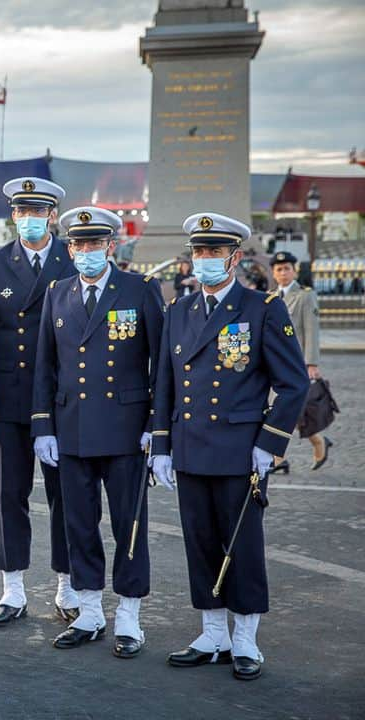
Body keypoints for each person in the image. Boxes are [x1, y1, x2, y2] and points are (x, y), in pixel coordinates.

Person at [150, 213, 308, 681]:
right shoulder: (178, 311)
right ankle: (212, 631)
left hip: (240, 448)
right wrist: (161, 443)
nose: (205, 261)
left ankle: (245, 637)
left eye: (214, 253)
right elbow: (165, 384)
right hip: (190, 445)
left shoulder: (262, 308)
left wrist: (270, 442)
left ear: (235, 258)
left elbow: (294, 383)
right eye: (199, 253)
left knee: (242, 543)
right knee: (199, 540)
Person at [31, 207, 165, 658]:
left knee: (129, 525)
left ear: (111, 246)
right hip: (72, 428)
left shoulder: (140, 289)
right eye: (78, 244)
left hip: (127, 429)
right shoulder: (58, 292)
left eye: (94, 244)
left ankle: (128, 614)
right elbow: (44, 365)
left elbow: (160, 364)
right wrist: (42, 426)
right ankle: (89, 609)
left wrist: (156, 427)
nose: (86, 252)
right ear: (68, 248)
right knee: (79, 523)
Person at [0, 177, 80, 627]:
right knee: (9, 495)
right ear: (13, 216)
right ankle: (12, 589)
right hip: (11, 398)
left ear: (52, 215)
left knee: (66, 496)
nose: (29, 219)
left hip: (63, 398)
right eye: (21, 211)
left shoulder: (73, 258)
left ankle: (67, 585)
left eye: (37, 211)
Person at [269, 251, 332, 472]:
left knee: (287, 410)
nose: (283, 273)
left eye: (287, 268)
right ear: (273, 273)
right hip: (274, 364)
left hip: (296, 365)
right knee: (283, 410)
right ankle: (283, 456)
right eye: (279, 269)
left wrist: (311, 363)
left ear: (294, 271)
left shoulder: (305, 296)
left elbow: (312, 330)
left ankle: (282, 456)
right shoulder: (270, 297)